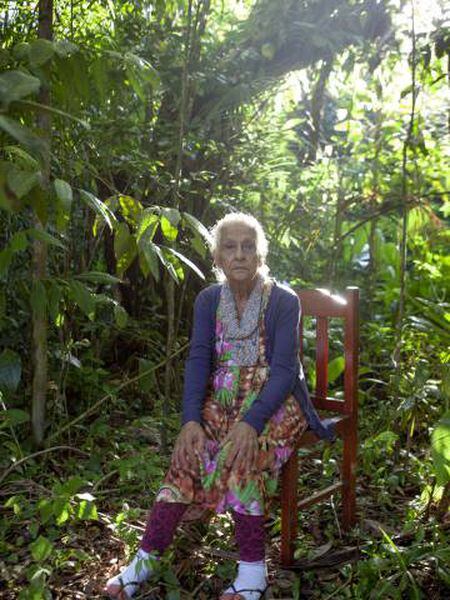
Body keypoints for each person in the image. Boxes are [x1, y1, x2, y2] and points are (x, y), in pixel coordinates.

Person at [105, 213, 335, 600]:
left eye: (249, 247)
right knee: (189, 451)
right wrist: (191, 420)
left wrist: (251, 422)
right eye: (230, 247)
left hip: (276, 401)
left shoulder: (283, 300)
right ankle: (144, 560)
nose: (240, 254)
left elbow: (282, 371)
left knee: (243, 451)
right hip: (224, 398)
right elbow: (198, 360)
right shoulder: (208, 300)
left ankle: (252, 573)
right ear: (217, 257)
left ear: (261, 255)